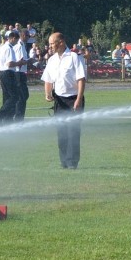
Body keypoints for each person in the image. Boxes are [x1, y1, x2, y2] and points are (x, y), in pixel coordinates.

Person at [42, 32, 87, 169]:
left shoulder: (74, 57)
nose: (50, 46)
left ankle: (73, 162)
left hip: (73, 99)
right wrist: (47, 93)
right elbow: (48, 79)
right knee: (61, 133)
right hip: (59, 100)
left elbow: (81, 79)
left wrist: (78, 99)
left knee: (73, 132)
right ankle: (64, 163)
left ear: (61, 42)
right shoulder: (52, 60)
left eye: (51, 43)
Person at [0, 30, 26, 123]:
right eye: (16, 40)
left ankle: (6, 118)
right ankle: (0, 115)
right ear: (12, 38)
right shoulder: (9, 48)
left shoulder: (3, 47)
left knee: (7, 96)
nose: (17, 42)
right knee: (14, 96)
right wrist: (20, 63)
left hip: (2, 73)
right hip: (8, 73)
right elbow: (9, 64)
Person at [11, 30, 30, 121]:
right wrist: (29, 61)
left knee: (24, 95)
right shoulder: (19, 46)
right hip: (18, 73)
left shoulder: (22, 45)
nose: (28, 38)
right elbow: (19, 62)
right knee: (21, 96)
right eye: (27, 36)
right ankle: (18, 117)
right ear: (23, 35)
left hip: (21, 73)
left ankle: (19, 116)